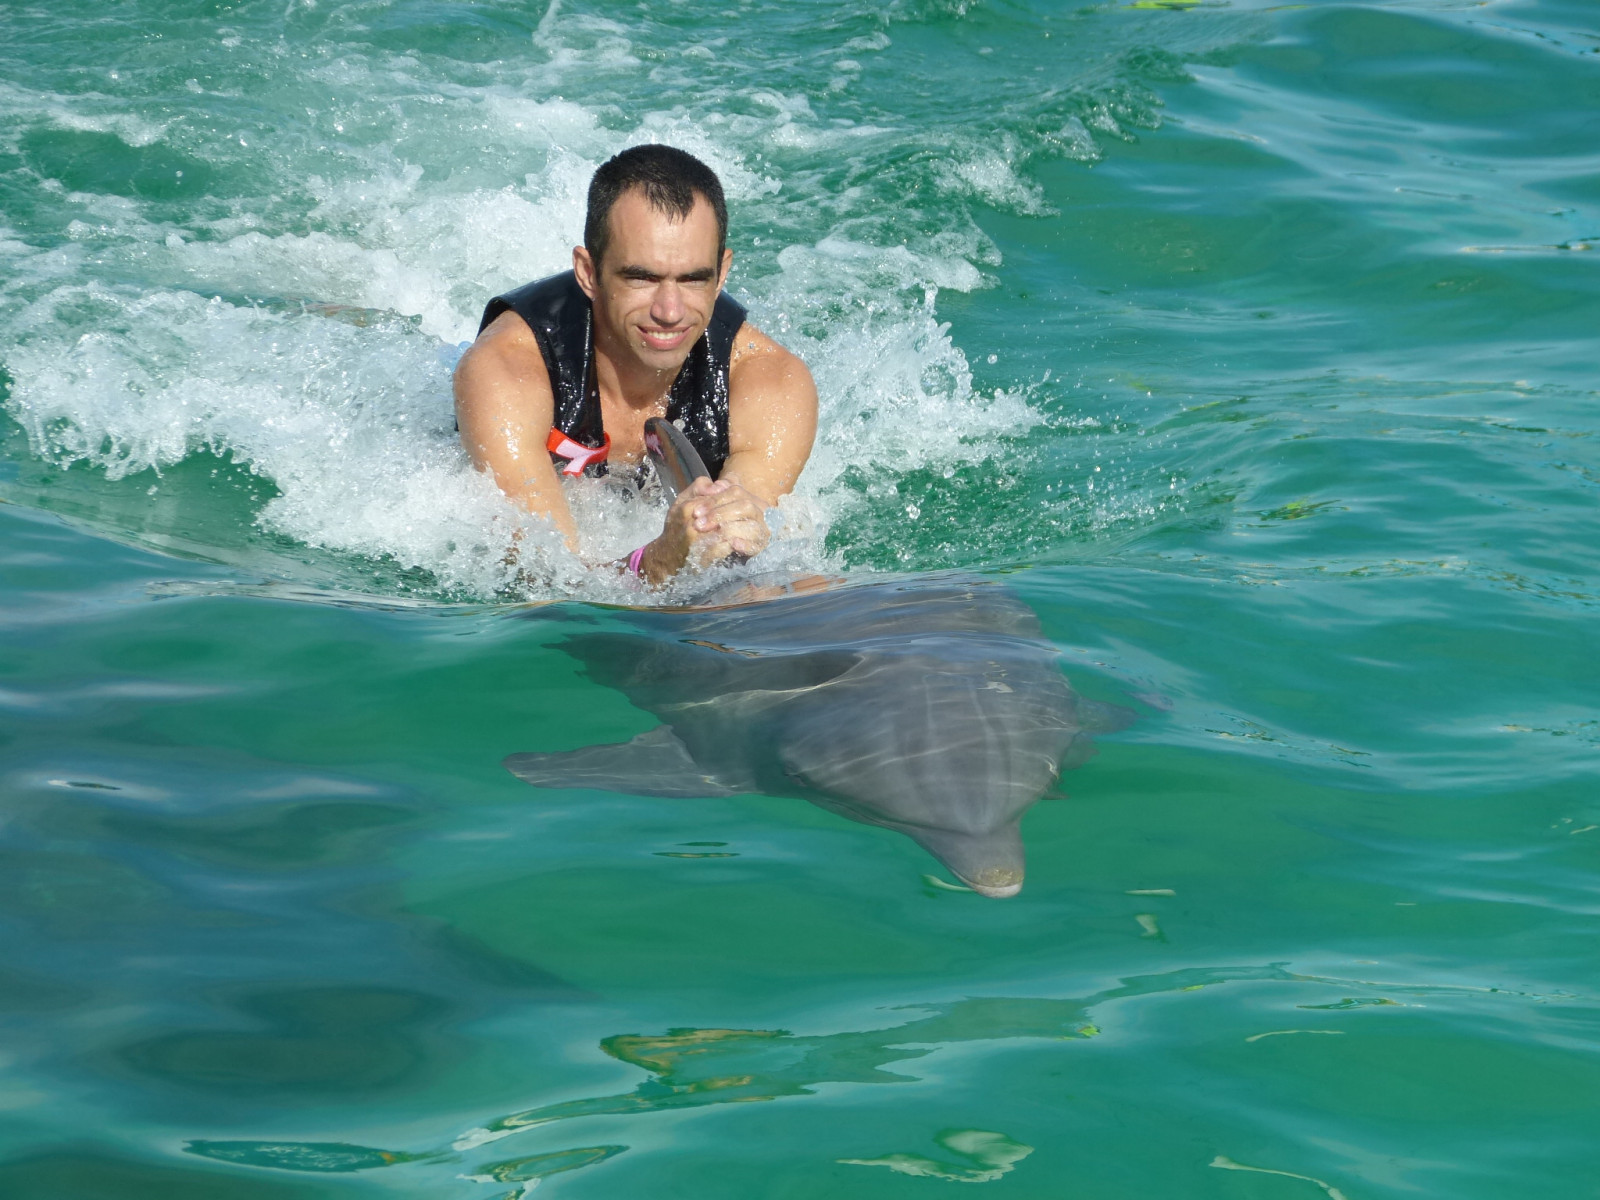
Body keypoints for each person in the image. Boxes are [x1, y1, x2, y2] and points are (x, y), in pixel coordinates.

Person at [454, 144, 818, 585]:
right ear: (588, 272)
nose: (669, 311)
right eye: (641, 278)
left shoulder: (771, 383)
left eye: (693, 279)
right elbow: (548, 584)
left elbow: (735, 568)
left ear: (722, 273)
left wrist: (724, 535)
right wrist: (656, 563)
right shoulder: (505, 372)